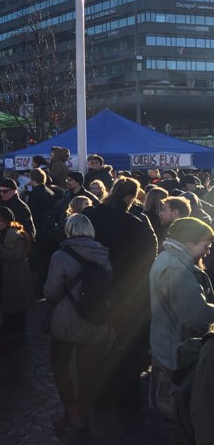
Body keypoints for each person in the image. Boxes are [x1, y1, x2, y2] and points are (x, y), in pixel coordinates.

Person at [83, 177, 157, 410]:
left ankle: (96, 391)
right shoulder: (135, 222)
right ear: (130, 197)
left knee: (97, 342)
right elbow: (149, 253)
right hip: (126, 291)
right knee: (126, 346)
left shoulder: (93, 215)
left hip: (95, 287)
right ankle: (125, 395)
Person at [43, 214, 113, 431]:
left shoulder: (60, 255)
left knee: (60, 365)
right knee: (87, 369)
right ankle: (82, 409)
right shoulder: (103, 253)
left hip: (67, 317)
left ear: (68, 230)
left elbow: (51, 290)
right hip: (95, 317)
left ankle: (70, 407)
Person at [149, 217, 214, 420]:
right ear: (189, 243)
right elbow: (197, 315)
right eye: (206, 245)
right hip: (173, 347)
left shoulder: (167, 258)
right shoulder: (176, 268)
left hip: (167, 341)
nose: (208, 251)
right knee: (176, 411)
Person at [0, 206, 34, 346]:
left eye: (0, 220)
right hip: (4, 273)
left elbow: (14, 255)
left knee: (15, 304)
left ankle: (14, 332)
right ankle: (7, 326)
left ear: (7, 221)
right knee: (5, 300)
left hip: (14, 275)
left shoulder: (14, 234)